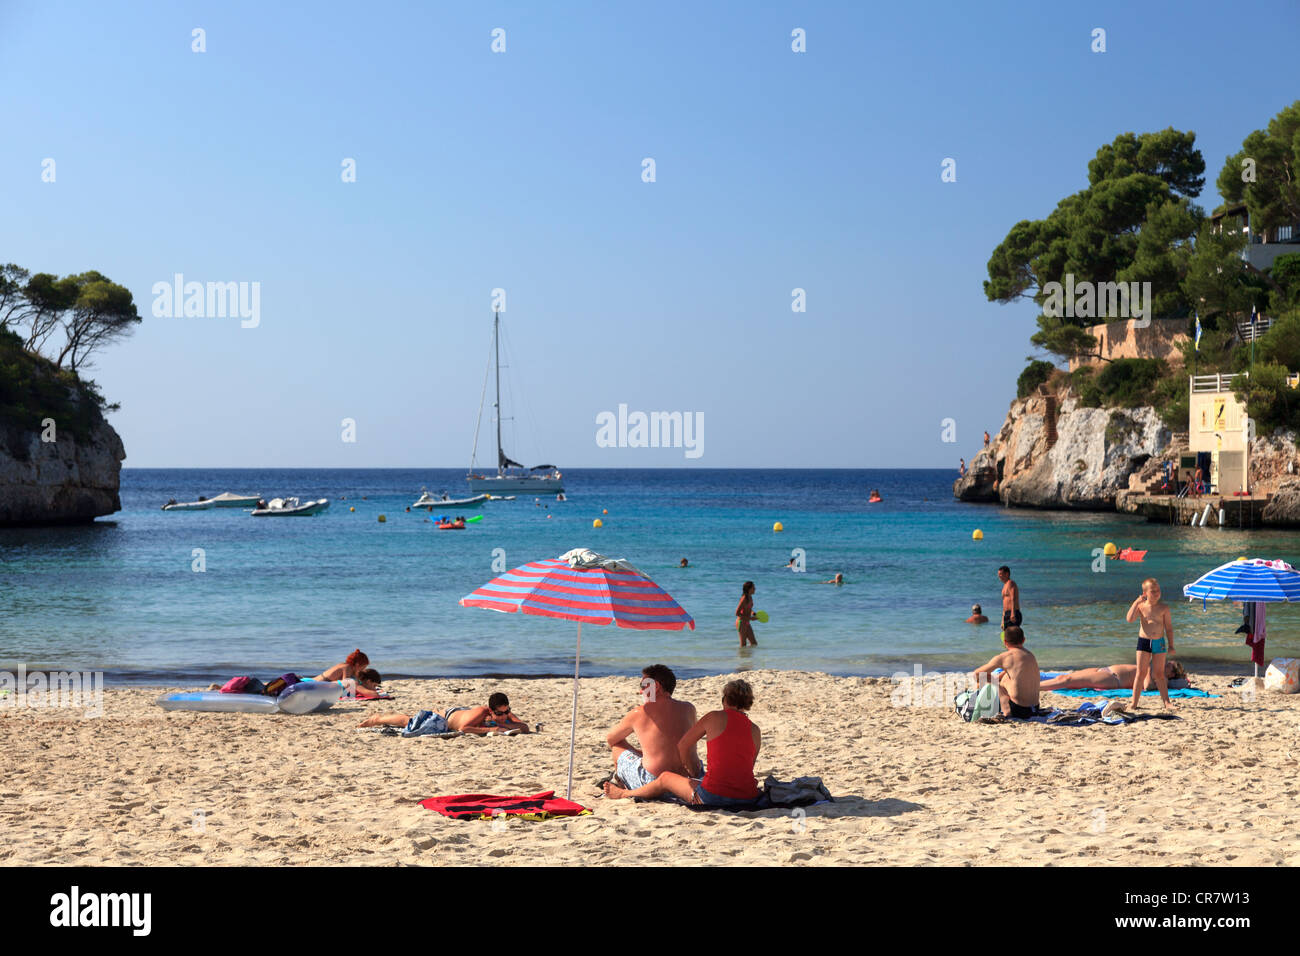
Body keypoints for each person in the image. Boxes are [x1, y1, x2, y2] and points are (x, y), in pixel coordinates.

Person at [603, 679, 761, 807]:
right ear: (748, 704)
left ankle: (623, 793)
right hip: (748, 796)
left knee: (665, 778)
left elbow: (683, 745)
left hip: (713, 796)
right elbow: (747, 766)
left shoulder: (714, 717)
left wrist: (689, 767)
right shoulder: (755, 730)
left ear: (725, 699)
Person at [604, 665, 700, 795]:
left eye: (643, 686)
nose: (640, 691)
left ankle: (622, 785)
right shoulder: (689, 709)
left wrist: (635, 751)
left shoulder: (640, 712)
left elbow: (611, 739)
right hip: (687, 778)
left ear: (656, 686)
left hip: (652, 780)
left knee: (617, 746)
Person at [358, 691, 530, 734]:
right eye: (499, 714)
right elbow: (464, 728)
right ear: (491, 711)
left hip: (457, 712)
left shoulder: (505, 713)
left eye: (506, 711)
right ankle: (377, 719)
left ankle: (378, 718)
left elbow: (524, 727)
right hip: (443, 718)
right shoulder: (481, 712)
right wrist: (492, 729)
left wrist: (508, 722)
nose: (504, 715)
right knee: (408, 722)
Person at [1127, 578, 1175, 710]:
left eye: (1158, 590)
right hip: (1143, 642)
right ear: (1145, 593)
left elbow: (1169, 628)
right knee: (1140, 673)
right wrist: (1137, 601)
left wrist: (1171, 645)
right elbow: (1130, 619)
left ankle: (1167, 703)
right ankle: (1134, 703)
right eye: (1153, 591)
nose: (1156, 593)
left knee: (1159, 674)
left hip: (1159, 642)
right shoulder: (1141, 607)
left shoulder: (1164, 608)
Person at [972, 626, 1039, 718]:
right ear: (1023, 640)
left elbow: (976, 675)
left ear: (1005, 642)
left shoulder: (1005, 657)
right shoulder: (1030, 655)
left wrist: (991, 679)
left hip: (1019, 710)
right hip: (1035, 708)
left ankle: (1006, 710)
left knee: (986, 678)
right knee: (1005, 677)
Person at [1040, 659, 1185, 692]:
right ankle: (1034, 685)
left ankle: (1035, 688)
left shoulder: (1161, 678)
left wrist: (1150, 668)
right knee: (1066, 677)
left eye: (1168, 665)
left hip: (1113, 679)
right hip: (1105, 670)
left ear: (1171, 674)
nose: (1164, 663)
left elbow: (1147, 687)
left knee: (1066, 680)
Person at [735, 581, 758, 647]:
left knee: (754, 643)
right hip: (741, 622)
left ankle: (748, 656)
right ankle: (742, 657)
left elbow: (748, 609)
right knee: (743, 645)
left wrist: (753, 613)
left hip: (747, 622)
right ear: (749, 589)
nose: (755, 589)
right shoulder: (744, 598)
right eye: (753, 588)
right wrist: (750, 618)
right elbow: (737, 613)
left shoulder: (750, 597)